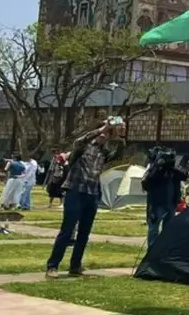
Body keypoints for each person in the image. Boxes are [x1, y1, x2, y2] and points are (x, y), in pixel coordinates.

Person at [45, 119, 127, 278]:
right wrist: (102, 128)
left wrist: (121, 137)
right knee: (67, 230)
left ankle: (75, 265)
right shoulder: (83, 147)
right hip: (75, 190)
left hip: (92, 193)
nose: (106, 135)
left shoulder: (104, 151)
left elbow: (117, 156)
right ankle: (52, 265)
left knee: (84, 232)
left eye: (108, 133)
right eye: (104, 132)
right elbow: (79, 141)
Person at [140, 147, 187, 249]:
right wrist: (158, 166)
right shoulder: (154, 168)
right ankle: (152, 251)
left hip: (171, 204)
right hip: (156, 204)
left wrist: (173, 166)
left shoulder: (174, 170)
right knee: (154, 229)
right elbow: (147, 181)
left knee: (168, 229)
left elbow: (185, 176)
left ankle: (164, 251)